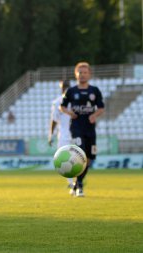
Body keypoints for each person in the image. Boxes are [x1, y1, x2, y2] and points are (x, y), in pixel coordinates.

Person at [60, 62, 105, 197]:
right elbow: (62, 106)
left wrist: (94, 115)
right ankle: (79, 186)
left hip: (90, 129)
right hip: (76, 128)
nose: (82, 75)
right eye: (80, 72)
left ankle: (76, 183)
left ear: (89, 74)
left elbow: (101, 108)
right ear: (76, 74)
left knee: (91, 158)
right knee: (82, 154)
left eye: (85, 72)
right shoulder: (71, 91)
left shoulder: (94, 91)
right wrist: (70, 113)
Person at [48, 80, 74, 193]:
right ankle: (72, 183)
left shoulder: (75, 100)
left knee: (74, 159)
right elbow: (53, 120)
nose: (65, 89)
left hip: (72, 134)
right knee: (66, 159)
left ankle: (76, 183)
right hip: (65, 134)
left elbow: (53, 121)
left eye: (66, 87)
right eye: (64, 87)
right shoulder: (58, 102)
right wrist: (51, 135)